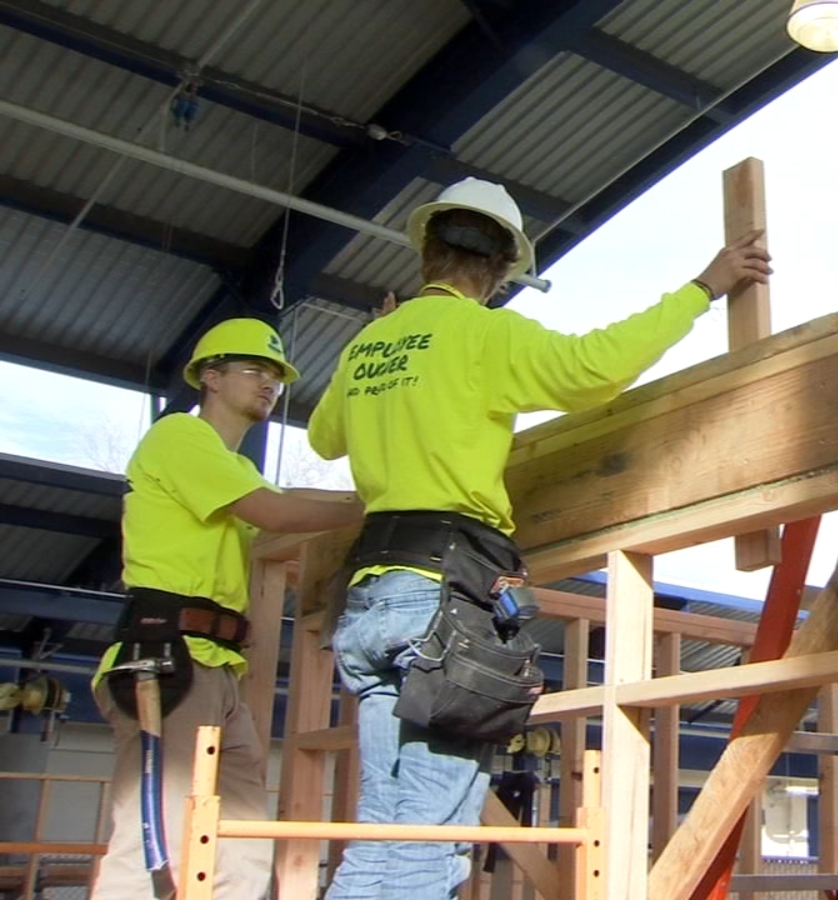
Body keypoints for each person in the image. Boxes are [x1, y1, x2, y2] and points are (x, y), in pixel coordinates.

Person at [308, 176, 772, 899]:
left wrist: (390, 345)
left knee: (383, 826)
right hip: (442, 592)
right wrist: (701, 289)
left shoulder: (371, 341)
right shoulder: (484, 333)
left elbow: (324, 435)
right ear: (499, 270)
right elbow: (595, 368)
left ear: (426, 252)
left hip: (371, 596)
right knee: (425, 842)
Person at [91, 318, 365, 900]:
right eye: (254, 370)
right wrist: (382, 506)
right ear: (210, 378)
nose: (269, 384)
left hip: (216, 667)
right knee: (155, 844)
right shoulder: (178, 436)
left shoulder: (236, 469)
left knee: (239, 843)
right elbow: (276, 512)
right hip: (165, 657)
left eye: (275, 376)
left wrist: (368, 497)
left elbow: (288, 498)